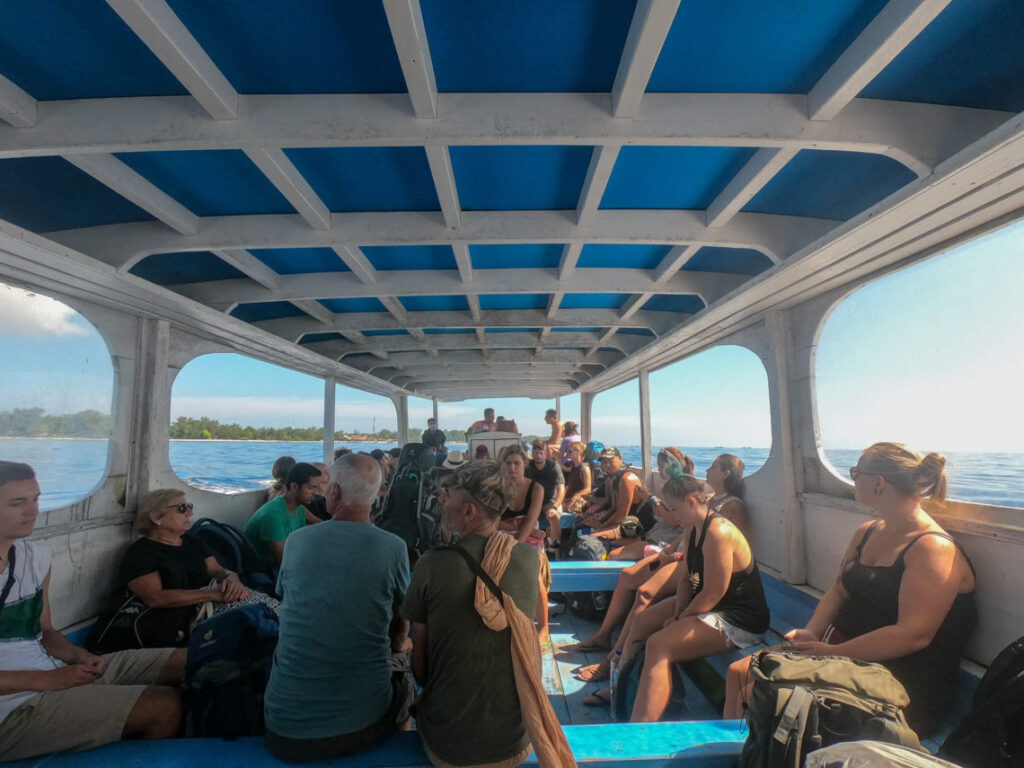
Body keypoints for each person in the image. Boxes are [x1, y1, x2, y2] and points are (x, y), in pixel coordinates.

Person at [723, 443, 977, 735]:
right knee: (739, 674)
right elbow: (839, 590)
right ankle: (740, 754)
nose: (853, 478)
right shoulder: (867, 531)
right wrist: (813, 631)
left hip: (898, 679)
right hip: (844, 652)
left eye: (856, 472)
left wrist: (833, 652)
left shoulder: (932, 548)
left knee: (769, 692)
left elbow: (913, 635)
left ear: (878, 483)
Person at [0, 462, 185, 760]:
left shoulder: (35, 557)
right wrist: (48, 682)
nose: (32, 510)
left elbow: (44, 632)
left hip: (52, 674)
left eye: (35, 499)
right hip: (12, 709)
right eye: (17, 502)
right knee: (164, 706)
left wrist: (80, 656)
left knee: (190, 659)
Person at [402, 460, 573, 768]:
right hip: (513, 739)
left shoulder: (431, 564)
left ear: (469, 512)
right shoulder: (527, 559)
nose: (441, 498)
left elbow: (421, 668)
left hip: (448, 745)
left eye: (448, 493)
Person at [263, 453, 412, 762]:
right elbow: (403, 618)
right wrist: (398, 644)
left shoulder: (296, 542)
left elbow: (286, 597)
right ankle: (397, 755)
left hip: (284, 728)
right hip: (364, 726)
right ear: (375, 498)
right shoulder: (394, 547)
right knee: (406, 678)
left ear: (334, 493)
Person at [589, 473, 770, 718]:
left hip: (737, 617)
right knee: (640, 622)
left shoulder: (719, 532)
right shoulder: (692, 529)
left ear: (693, 502)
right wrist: (677, 614)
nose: (671, 515)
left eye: (674, 509)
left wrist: (681, 618)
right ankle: (622, 688)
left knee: (659, 645)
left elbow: (714, 592)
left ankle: (639, 727)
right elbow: (686, 578)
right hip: (710, 607)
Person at [118, 489, 251, 646]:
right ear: (156, 517)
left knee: (266, 616)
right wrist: (211, 595)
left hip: (211, 602)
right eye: (181, 508)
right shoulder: (142, 553)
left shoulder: (191, 541)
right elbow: (155, 598)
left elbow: (216, 570)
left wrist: (231, 578)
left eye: (189, 506)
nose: (190, 513)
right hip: (176, 620)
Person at [497, 445, 551, 647]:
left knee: (533, 573)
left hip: (527, 534)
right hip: (506, 532)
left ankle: (544, 627)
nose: (512, 468)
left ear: (524, 464)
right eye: (508, 463)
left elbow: (530, 520)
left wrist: (517, 544)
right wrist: (510, 526)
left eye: (516, 463)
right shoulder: (498, 488)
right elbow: (493, 520)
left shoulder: (536, 488)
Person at [245, 462, 320, 569]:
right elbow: (285, 562)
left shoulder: (299, 508)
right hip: (265, 572)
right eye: (311, 488)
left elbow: (323, 526)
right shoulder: (274, 515)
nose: (315, 493)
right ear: (294, 486)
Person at [577, 447, 642, 536]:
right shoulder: (611, 479)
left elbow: (622, 514)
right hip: (621, 522)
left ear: (620, 458)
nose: (607, 465)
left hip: (635, 525)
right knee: (580, 525)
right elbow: (613, 508)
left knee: (587, 536)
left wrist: (601, 526)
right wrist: (596, 520)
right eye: (604, 462)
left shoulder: (627, 479)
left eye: (610, 461)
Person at [705, 454, 749, 536]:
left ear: (725, 474)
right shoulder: (709, 499)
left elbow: (733, 541)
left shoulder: (734, 507)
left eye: (713, 467)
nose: (707, 470)